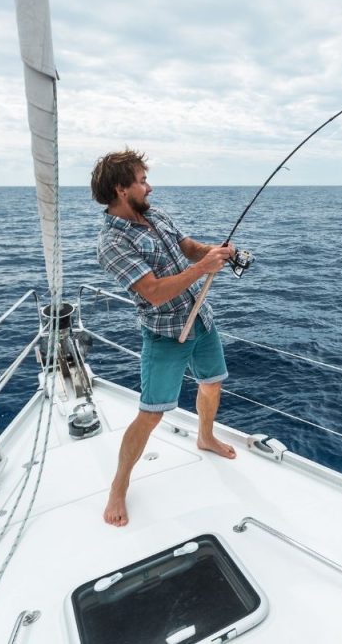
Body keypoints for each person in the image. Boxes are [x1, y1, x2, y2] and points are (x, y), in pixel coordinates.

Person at [92, 149, 237, 527]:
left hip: (201, 319)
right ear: (122, 189)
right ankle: (119, 486)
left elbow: (186, 246)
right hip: (164, 334)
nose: (149, 186)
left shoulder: (155, 214)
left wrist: (214, 252)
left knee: (212, 384)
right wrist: (203, 268)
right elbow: (153, 291)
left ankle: (204, 437)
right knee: (151, 413)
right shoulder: (111, 243)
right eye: (142, 181)